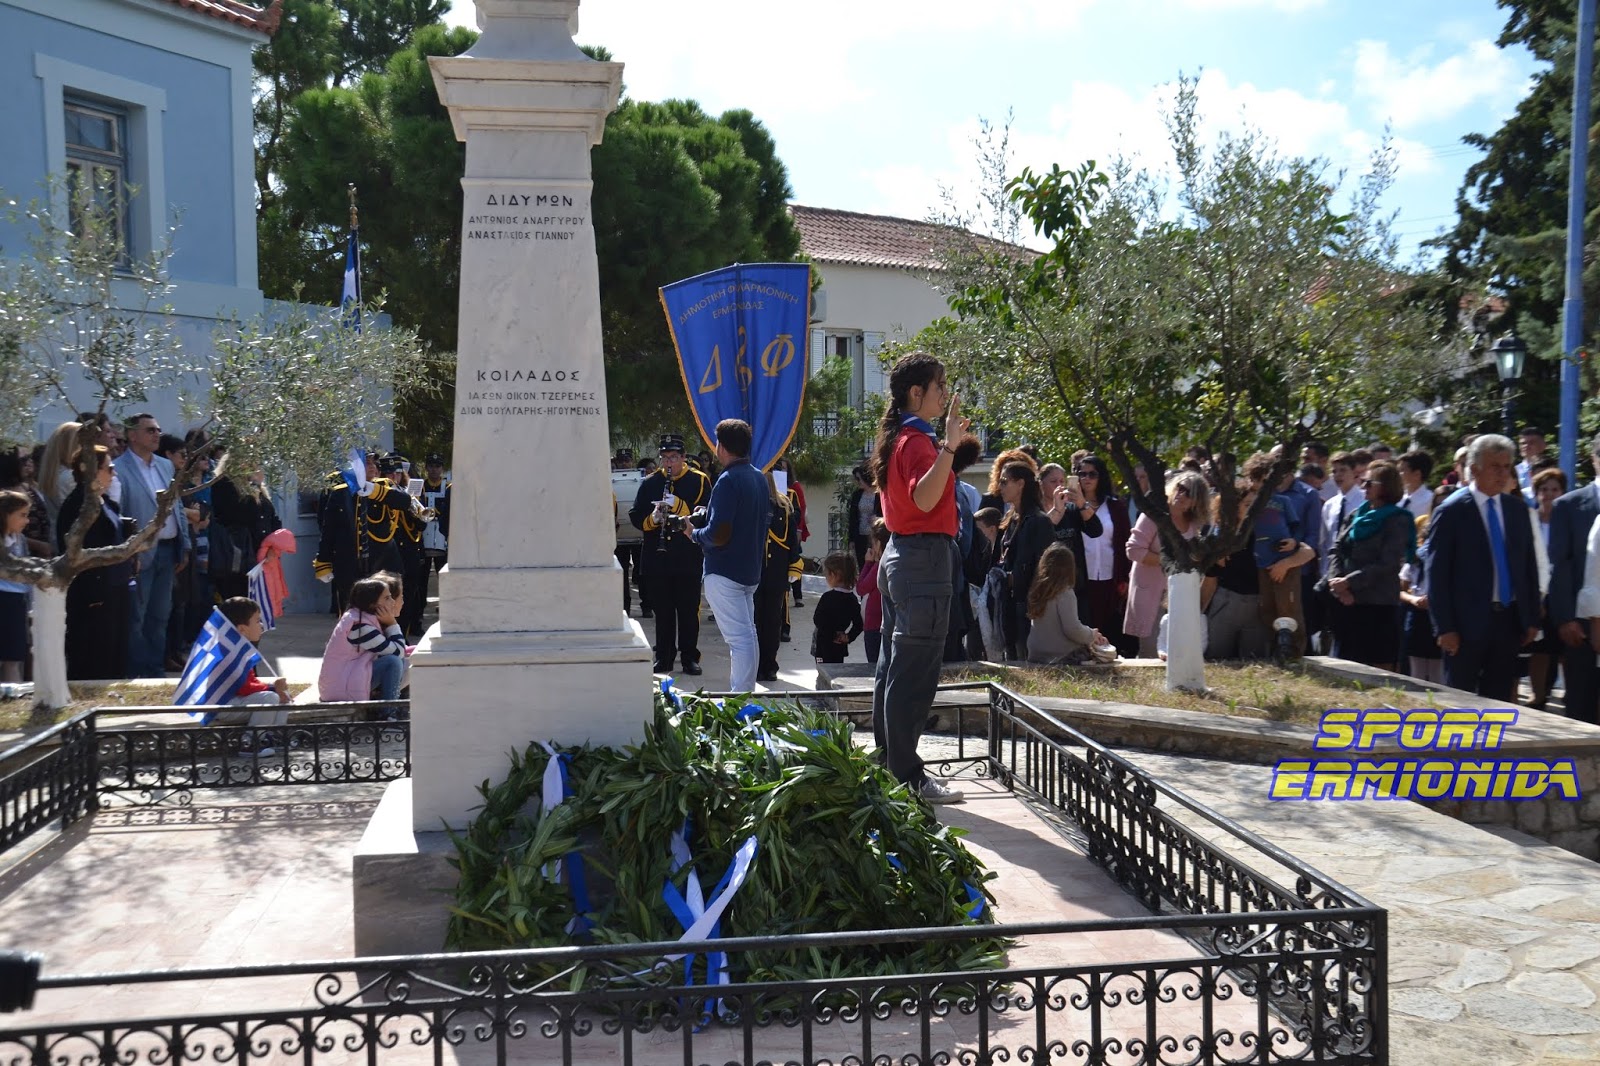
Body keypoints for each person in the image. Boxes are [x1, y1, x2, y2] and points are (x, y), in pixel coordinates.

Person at [871, 351, 968, 805]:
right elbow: (926, 500)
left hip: (903, 556)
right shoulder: (917, 443)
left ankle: (888, 764)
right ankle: (907, 777)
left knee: (894, 668)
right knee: (913, 673)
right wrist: (949, 447)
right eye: (939, 386)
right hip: (922, 561)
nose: (944, 395)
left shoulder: (901, 438)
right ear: (916, 393)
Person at [1425, 434, 1540, 701]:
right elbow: (1437, 573)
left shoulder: (1516, 510)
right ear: (1475, 469)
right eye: (1495, 467)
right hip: (1465, 624)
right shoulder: (1452, 511)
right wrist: (1444, 627)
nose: (1503, 474)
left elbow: (1527, 566)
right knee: (1460, 699)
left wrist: (1531, 617)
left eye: (1506, 467)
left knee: (1498, 699)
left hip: (1508, 622)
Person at [688, 419, 770, 693]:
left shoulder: (727, 480)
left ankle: (741, 697)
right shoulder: (758, 477)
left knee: (740, 639)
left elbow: (718, 535)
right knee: (748, 635)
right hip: (749, 569)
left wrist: (692, 532)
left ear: (721, 447)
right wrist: (707, 514)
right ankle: (744, 693)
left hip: (725, 570)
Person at [114, 413, 191, 677]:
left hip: (168, 551)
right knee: (137, 616)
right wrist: (128, 552)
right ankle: (137, 673)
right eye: (150, 430)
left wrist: (185, 543)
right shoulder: (118, 468)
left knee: (160, 615)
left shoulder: (165, 466)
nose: (157, 434)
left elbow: (176, 505)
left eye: (158, 429)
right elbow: (119, 514)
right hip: (139, 553)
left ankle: (155, 671)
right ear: (132, 435)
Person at [630, 434, 713, 676]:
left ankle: (690, 657)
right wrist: (653, 518)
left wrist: (678, 505)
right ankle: (664, 657)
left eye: (674, 457)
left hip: (687, 555)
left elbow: (706, 514)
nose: (669, 463)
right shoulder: (650, 482)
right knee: (663, 611)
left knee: (688, 610)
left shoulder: (699, 480)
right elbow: (636, 515)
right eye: (665, 458)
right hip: (658, 557)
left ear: (683, 457)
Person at [1320, 460, 1413, 670]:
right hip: (1347, 602)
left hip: (1378, 604)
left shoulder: (1398, 519)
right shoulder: (1356, 515)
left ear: (1386, 486)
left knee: (1378, 666)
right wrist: (1338, 585)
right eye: (1363, 481)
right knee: (1345, 665)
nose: (1364, 486)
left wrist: (1349, 582)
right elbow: (1336, 550)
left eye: (1370, 483)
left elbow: (1388, 563)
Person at [57, 445, 133, 680]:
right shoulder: (79, 505)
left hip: (115, 587)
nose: (113, 473)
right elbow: (80, 551)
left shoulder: (105, 501)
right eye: (108, 468)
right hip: (93, 593)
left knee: (115, 653)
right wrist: (94, 593)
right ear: (89, 470)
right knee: (93, 654)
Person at [1124, 471, 1210, 658]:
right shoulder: (1155, 514)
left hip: (1178, 593)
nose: (1181, 494)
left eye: (1189, 493)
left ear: (1197, 501)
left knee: (1175, 649)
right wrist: (1169, 561)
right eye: (1180, 487)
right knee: (1151, 652)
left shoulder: (1194, 524)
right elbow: (1133, 550)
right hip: (1150, 592)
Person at [1549, 433, 1600, 725]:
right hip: (1581, 624)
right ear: (1594, 459)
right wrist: (1565, 618)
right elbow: (1560, 566)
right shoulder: (1569, 505)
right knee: (1581, 704)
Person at [203, 597, 292, 751]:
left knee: (283, 695)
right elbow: (243, 687)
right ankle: (250, 743)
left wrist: (276, 689)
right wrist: (271, 689)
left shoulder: (240, 647)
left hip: (235, 701)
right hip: (222, 705)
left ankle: (274, 736)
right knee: (270, 698)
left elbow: (250, 681)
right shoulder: (228, 651)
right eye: (257, 621)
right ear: (242, 629)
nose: (261, 625)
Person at [317, 573, 409, 719]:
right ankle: (388, 714)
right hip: (340, 688)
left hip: (350, 679)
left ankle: (395, 706)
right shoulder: (359, 626)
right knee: (393, 662)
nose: (392, 602)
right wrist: (392, 623)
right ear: (372, 604)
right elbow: (397, 652)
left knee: (406, 660)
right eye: (387, 598)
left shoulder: (361, 618)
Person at [995, 462, 1055, 660]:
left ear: (1020, 484)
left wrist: (1018, 579)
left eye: (1005, 481)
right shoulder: (1011, 519)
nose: (1000, 487)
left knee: (1026, 660)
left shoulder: (1039, 520)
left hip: (1028, 605)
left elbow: (1045, 568)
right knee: (1011, 659)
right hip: (1009, 602)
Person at [1075, 455, 1133, 655]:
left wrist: (1125, 577)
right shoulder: (1071, 507)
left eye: (1092, 474)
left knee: (1110, 627)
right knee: (1086, 625)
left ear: (1101, 477)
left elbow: (1125, 543)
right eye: (1082, 474)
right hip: (1083, 578)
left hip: (1111, 578)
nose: (1087, 478)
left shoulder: (1116, 506)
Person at [1525, 466, 1567, 707]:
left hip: (1563, 591)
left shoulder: (1568, 518)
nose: (1549, 494)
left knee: (1565, 647)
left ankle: (1570, 692)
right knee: (1539, 647)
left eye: (1554, 489)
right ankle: (1537, 695)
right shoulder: (1529, 519)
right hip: (1538, 591)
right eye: (1544, 489)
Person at [1025, 542, 1106, 664]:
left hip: (1036, 652)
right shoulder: (1065, 592)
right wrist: (1091, 635)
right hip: (1059, 655)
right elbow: (1072, 629)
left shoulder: (1038, 589)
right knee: (1099, 650)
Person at [754, 470, 799, 684]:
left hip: (776, 571)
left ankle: (770, 665)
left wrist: (794, 566)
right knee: (754, 621)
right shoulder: (749, 504)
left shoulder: (783, 506)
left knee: (772, 622)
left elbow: (791, 541)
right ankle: (755, 666)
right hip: (753, 571)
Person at [0, 491, 31, 683]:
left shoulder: (20, 540)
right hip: (2, 599)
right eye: (22, 515)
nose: (26, 521)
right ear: (6, 514)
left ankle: (13, 695)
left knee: (13, 658)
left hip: (16, 602)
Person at [812, 552, 863, 664]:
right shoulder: (852, 599)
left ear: (834, 575)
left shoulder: (827, 597)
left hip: (823, 646)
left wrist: (832, 635)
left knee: (823, 671)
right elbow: (859, 624)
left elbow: (818, 619)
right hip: (839, 646)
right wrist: (849, 637)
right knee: (837, 670)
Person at [419, 453, 451, 601]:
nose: (434, 469)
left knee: (444, 575)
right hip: (423, 535)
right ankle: (420, 606)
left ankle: (446, 604)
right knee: (421, 578)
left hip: (442, 536)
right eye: (431, 466)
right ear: (426, 468)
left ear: (442, 468)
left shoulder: (449, 487)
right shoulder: (420, 487)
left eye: (437, 466)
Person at [857, 519, 889, 665]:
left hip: (874, 625)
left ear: (879, 543)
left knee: (874, 666)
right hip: (884, 624)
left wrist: (868, 563)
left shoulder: (879, 565)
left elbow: (861, 588)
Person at [847, 465, 879, 567]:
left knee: (875, 563)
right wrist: (851, 539)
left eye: (858, 479)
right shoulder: (857, 495)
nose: (857, 482)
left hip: (875, 535)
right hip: (860, 534)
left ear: (866, 478)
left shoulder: (879, 494)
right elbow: (852, 518)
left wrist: (876, 518)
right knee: (861, 563)